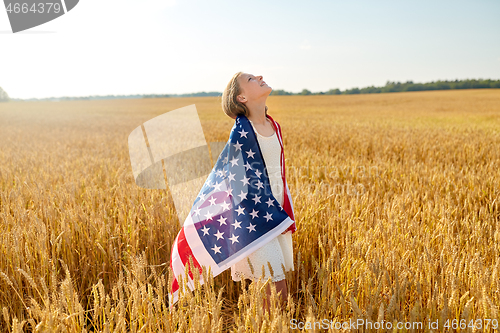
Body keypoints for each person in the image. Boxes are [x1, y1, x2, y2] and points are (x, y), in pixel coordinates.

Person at [221, 71, 295, 314]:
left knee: (277, 295)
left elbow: (277, 175)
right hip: (254, 219)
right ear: (241, 97)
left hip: (275, 213)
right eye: (251, 78)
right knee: (277, 291)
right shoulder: (242, 132)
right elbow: (233, 182)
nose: (260, 75)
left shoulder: (274, 125)